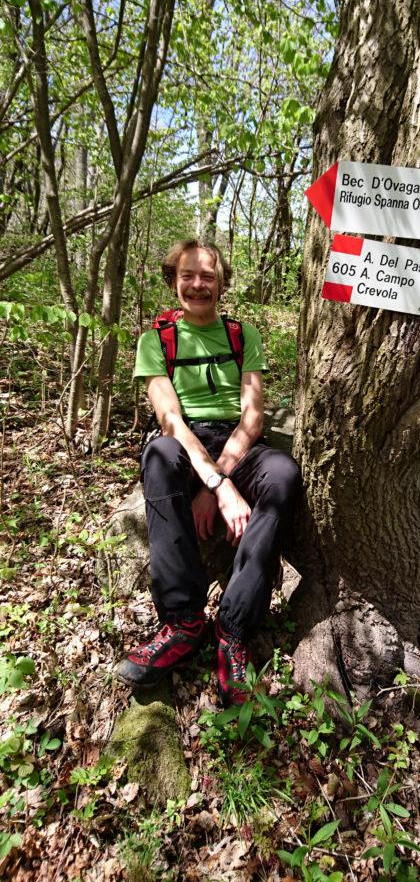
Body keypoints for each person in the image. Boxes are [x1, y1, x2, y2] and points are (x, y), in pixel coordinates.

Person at [114, 239, 301, 705]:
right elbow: (170, 421)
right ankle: (182, 621)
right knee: (157, 457)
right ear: (174, 280)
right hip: (183, 443)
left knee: (282, 475)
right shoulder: (156, 341)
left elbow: (253, 418)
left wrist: (218, 480)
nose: (198, 285)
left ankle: (232, 630)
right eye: (188, 276)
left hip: (233, 443)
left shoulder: (243, 335)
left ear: (221, 283)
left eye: (208, 276)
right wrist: (218, 486)